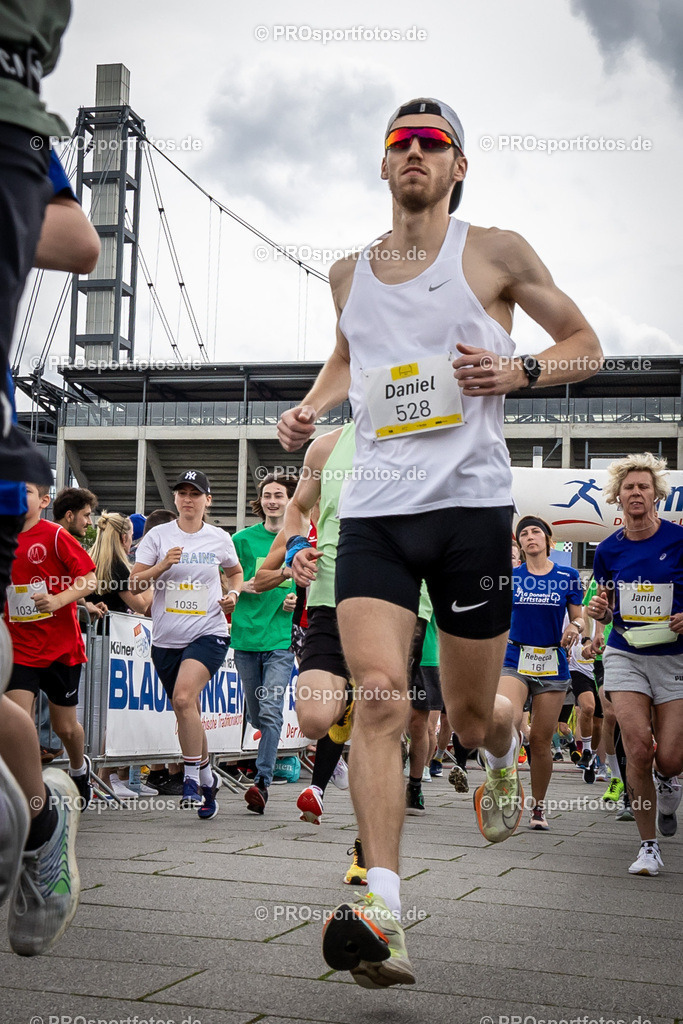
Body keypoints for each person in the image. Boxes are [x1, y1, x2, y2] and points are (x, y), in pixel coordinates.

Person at [277, 96, 602, 988]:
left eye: (433, 143)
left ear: (458, 167)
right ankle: (381, 910)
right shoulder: (347, 272)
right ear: (382, 167)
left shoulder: (494, 250)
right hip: (377, 514)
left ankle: (496, 755)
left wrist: (521, 369)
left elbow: (586, 343)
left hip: (467, 510)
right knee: (379, 703)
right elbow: (349, 355)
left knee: (464, 717)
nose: (414, 153)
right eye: (399, 143)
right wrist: (312, 407)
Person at [587, 453, 683, 876]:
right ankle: (648, 846)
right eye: (629, 487)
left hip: (673, 657)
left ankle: (669, 782)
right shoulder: (608, 550)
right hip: (625, 653)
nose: (637, 492)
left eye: (644, 486)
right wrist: (603, 614)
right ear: (618, 497)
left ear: (656, 494)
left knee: (672, 758)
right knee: (638, 748)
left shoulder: (679, 540)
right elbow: (606, 604)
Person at [131, 471, 243, 821]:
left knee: (182, 698)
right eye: (182, 493)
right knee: (187, 709)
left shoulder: (219, 538)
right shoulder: (158, 537)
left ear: (207, 501)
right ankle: (209, 779)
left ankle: (191, 778)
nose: (188, 499)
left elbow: (236, 572)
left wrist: (233, 594)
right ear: (176, 499)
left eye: (196, 494)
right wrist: (163, 565)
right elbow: (134, 583)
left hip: (209, 632)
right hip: (166, 638)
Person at [481, 516, 584, 830]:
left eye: (535, 531)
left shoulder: (568, 576)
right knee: (506, 719)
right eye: (523, 533)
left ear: (549, 540)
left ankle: (538, 808)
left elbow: (578, 618)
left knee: (540, 741)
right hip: (515, 657)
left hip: (553, 661)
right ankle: (503, 779)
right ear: (520, 543)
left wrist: (576, 628)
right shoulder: (510, 577)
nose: (529, 537)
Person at [4, 481, 98, 806]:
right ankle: (31, 791)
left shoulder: (56, 535)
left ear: (44, 500)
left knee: (65, 727)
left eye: (26, 490)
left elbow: (89, 580)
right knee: (19, 721)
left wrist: (58, 601)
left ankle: (78, 768)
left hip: (61, 649)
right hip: (18, 649)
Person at [230, 472, 298, 814]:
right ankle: (269, 747)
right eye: (268, 495)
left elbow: (306, 582)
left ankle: (262, 783)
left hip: (279, 640)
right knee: (257, 716)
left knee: (271, 711)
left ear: (290, 501)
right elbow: (228, 578)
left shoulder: (297, 542)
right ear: (261, 501)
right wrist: (236, 589)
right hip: (245, 637)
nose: (273, 501)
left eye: (279, 496)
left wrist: (293, 601)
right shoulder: (242, 540)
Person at [88, 511, 153, 798]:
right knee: (106, 715)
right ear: (125, 537)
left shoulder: (89, 559)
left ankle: (94, 776)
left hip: (89, 642)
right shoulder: (118, 566)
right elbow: (140, 605)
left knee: (91, 714)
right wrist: (153, 579)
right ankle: (104, 777)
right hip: (109, 645)